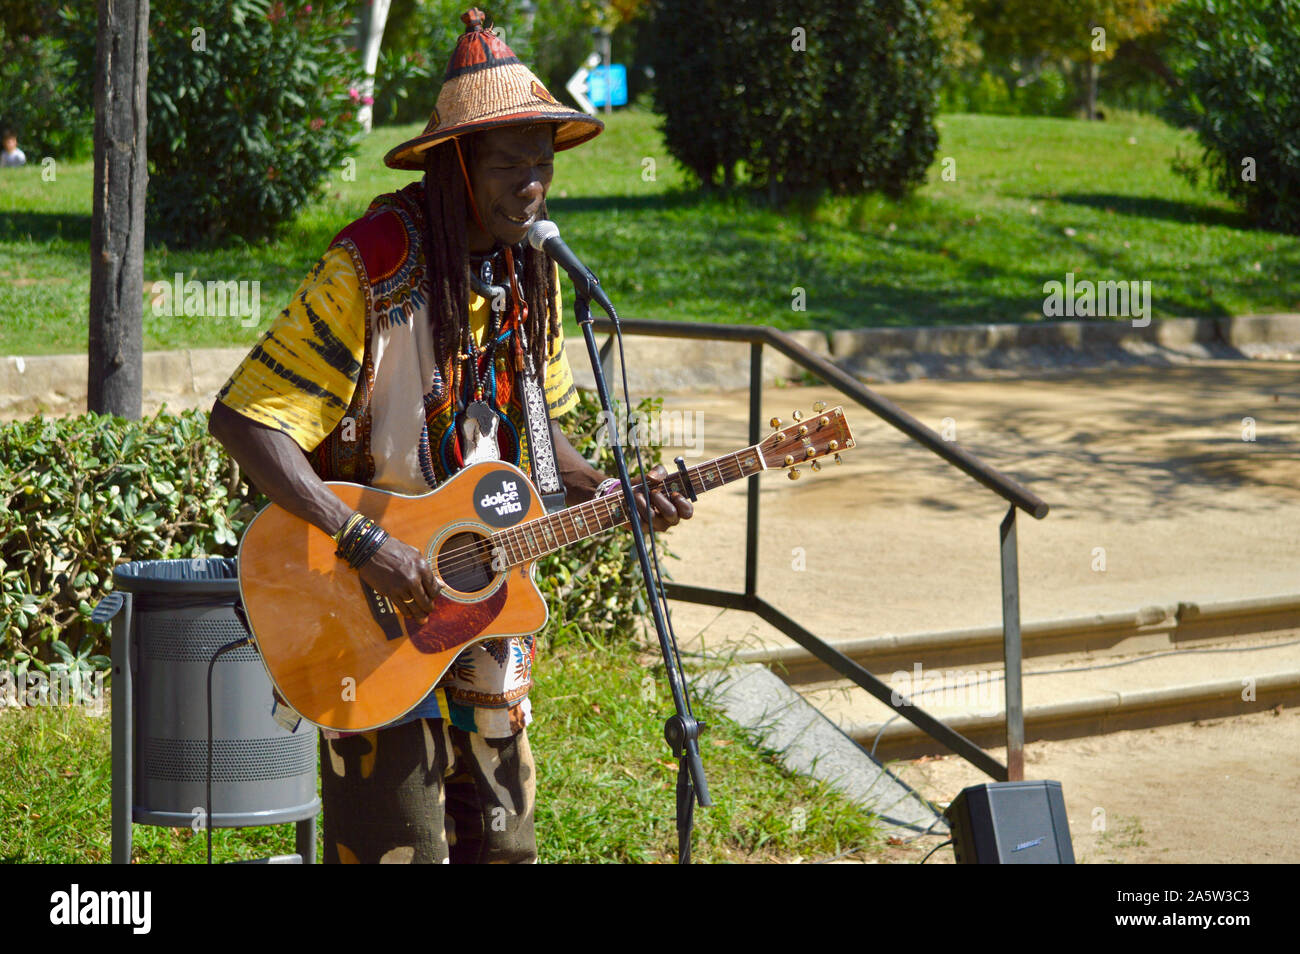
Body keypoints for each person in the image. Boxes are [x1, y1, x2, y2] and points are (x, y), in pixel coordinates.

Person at [209, 8, 692, 863]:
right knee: (401, 848)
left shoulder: (526, 272)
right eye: (509, 165)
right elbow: (246, 420)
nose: (532, 185)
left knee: (504, 848)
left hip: (485, 603)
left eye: (542, 163)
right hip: (364, 609)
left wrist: (607, 489)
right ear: (453, 168)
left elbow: (541, 444)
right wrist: (365, 542)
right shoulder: (371, 263)